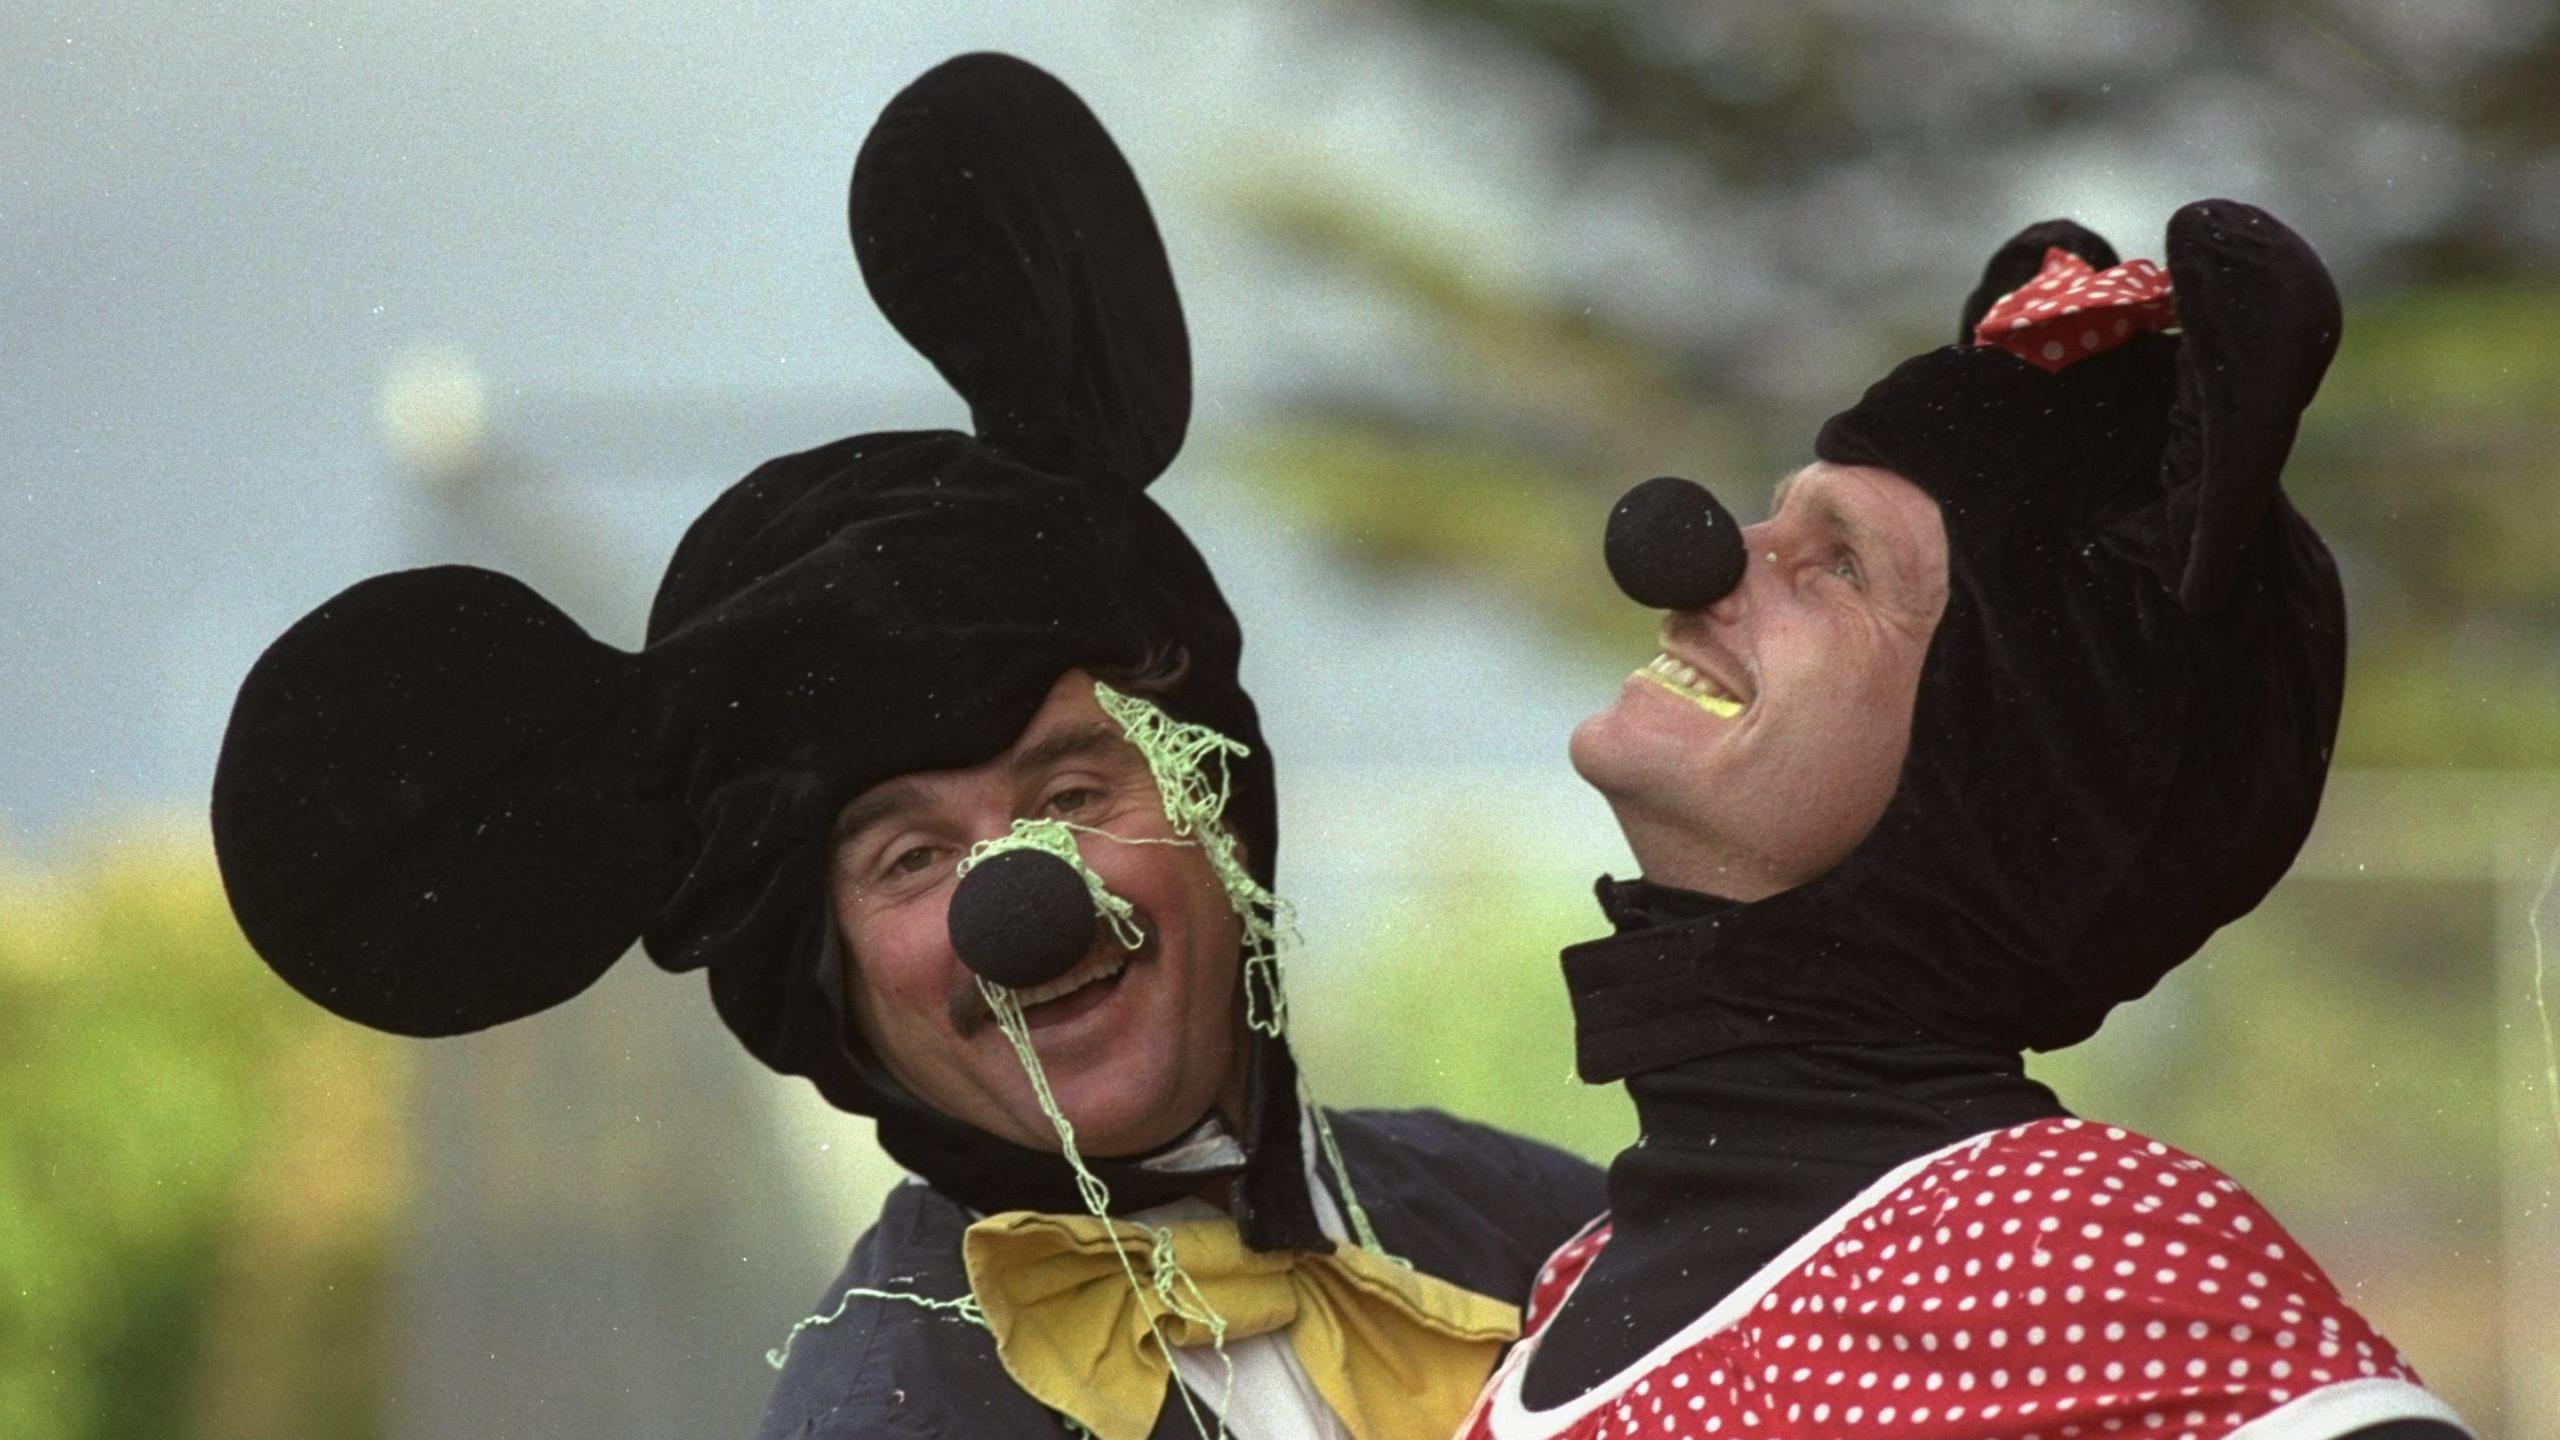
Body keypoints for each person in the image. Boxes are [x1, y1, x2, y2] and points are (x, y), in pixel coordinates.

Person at [210, 53, 1600, 1440]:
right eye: (909, 856)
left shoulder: (1559, 1243)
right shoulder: (892, 1418)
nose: (1024, 898)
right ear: (831, 985)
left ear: (1217, 809)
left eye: (1069, 787)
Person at [1456, 205, 2474, 1439]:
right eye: (1785, 513)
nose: (1716, 557)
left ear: (2001, 756)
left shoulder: (2077, 1246)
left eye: (1838, 564)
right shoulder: (1578, 1286)